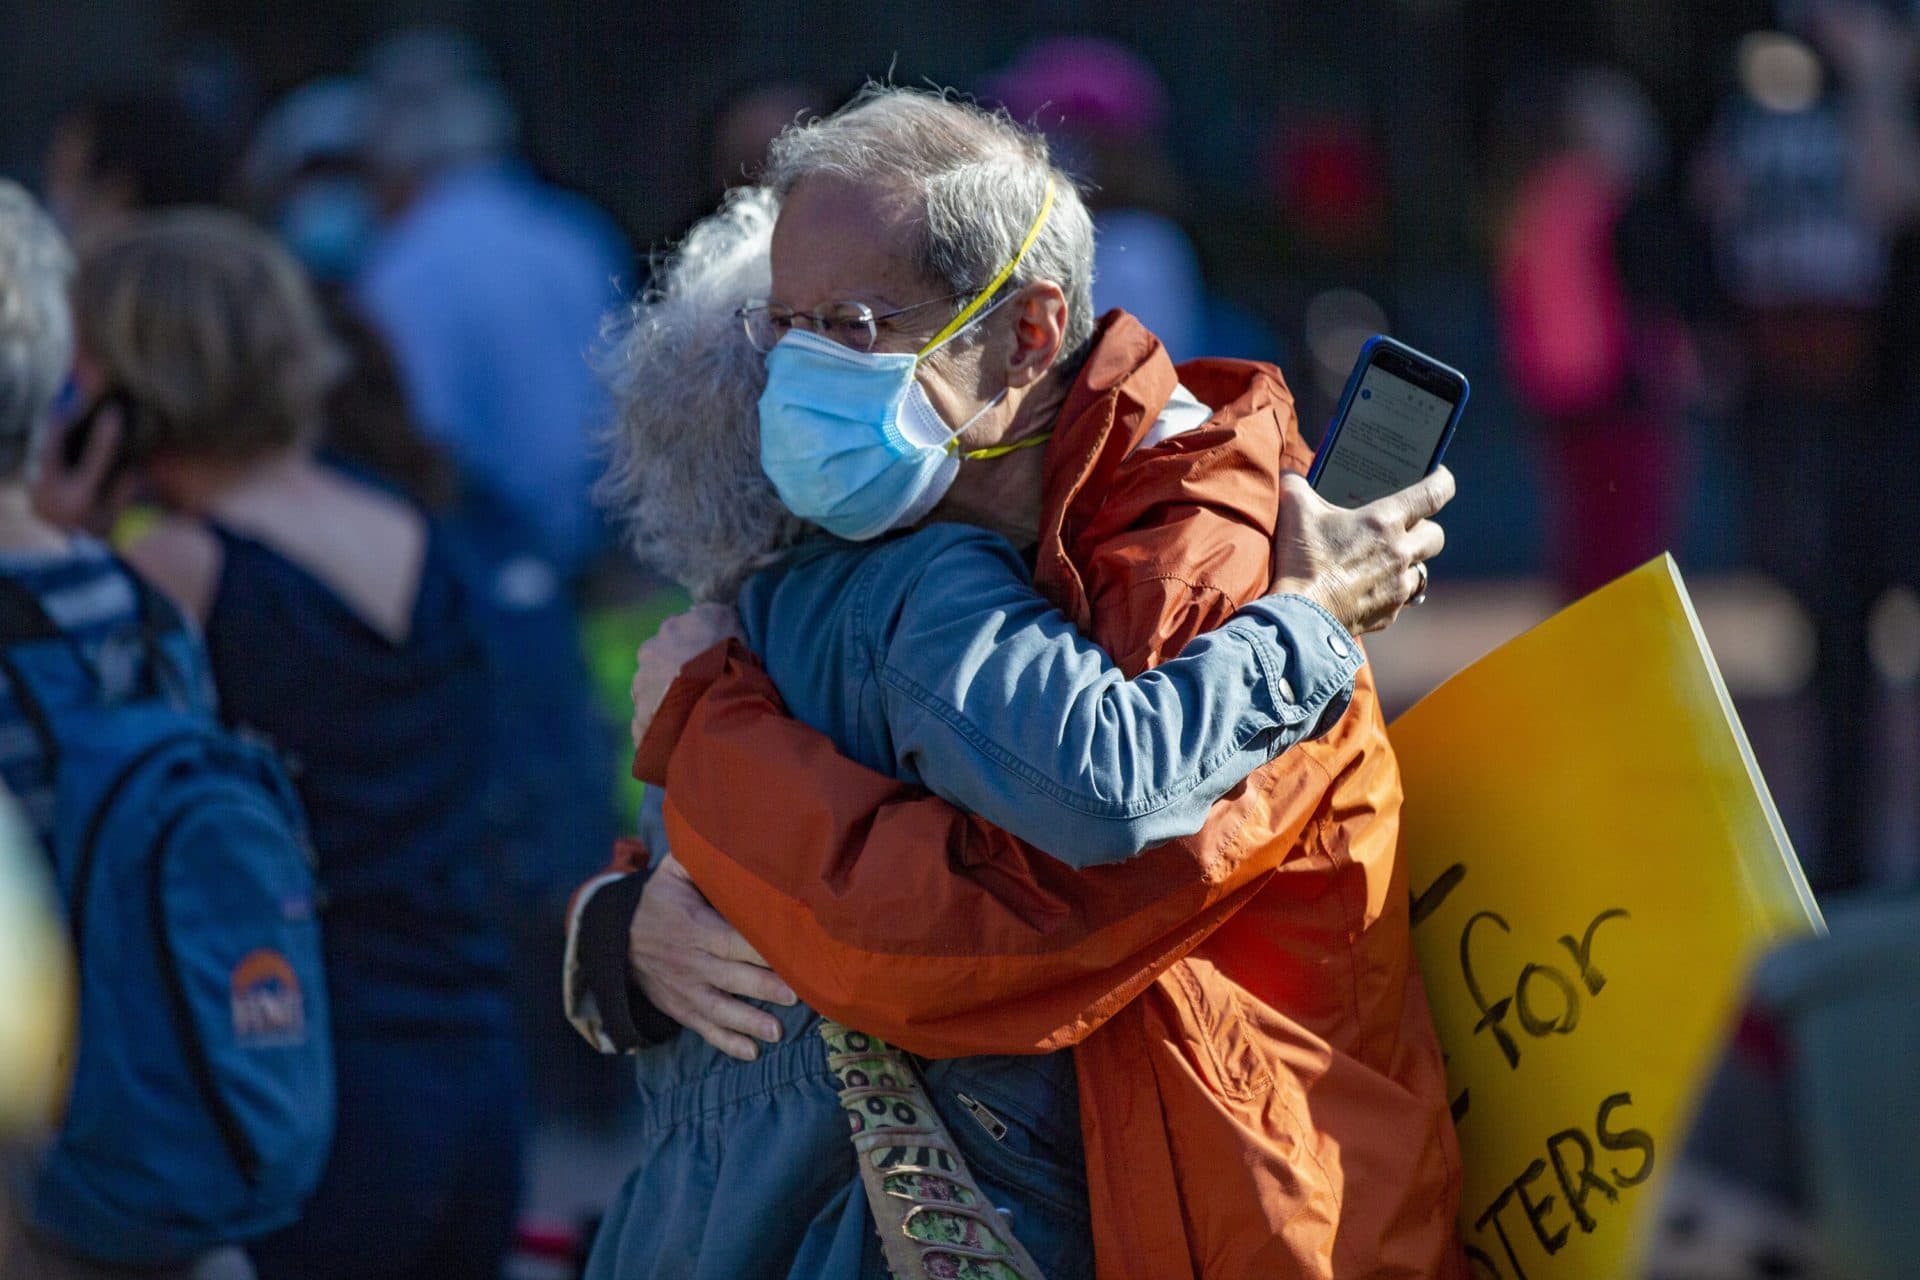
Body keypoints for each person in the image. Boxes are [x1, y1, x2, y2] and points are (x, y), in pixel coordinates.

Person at [574, 88, 1463, 1278]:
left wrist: (705, 732)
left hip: (1250, 1198)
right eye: (779, 330)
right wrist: (622, 934)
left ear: (1033, 331)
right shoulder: (850, 567)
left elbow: (1052, 897)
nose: (797, 376)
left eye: (848, 323)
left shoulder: (1167, 552)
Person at [56, 209, 522, 1280]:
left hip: (300, 1073)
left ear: (129, 382)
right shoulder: (409, 526)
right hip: (473, 1063)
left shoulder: (180, 566)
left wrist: (71, 545)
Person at [353, 27, 629, 577]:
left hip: (483, 559)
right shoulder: (575, 234)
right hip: (605, 546)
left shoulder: (403, 267)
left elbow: (425, 432)